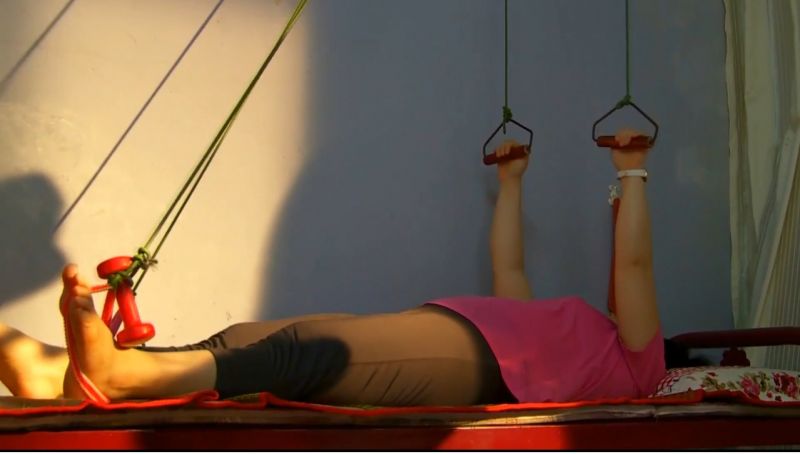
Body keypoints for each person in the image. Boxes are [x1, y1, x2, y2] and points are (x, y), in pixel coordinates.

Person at [0, 129, 667, 405]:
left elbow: (634, 265)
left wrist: (632, 171)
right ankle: (59, 375)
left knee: (313, 353)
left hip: (479, 366)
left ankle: (118, 376)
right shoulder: (568, 330)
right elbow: (510, 268)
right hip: (457, 336)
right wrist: (512, 185)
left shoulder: (638, 366)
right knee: (251, 338)